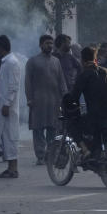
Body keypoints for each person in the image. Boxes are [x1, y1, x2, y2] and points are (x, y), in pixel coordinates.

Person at [67, 47, 107, 182]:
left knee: (72, 124)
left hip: (96, 117)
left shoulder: (84, 74)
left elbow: (74, 96)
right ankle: (96, 153)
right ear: (95, 58)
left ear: (82, 60)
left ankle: (86, 151)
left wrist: (68, 103)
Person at [25, 34, 68, 165]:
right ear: (41, 45)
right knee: (38, 129)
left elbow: (62, 81)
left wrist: (65, 97)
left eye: (51, 43)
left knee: (52, 128)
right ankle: (40, 155)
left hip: (54, 101)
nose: (49, 45)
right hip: (38, 100)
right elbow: (28, 82)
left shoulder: (56, 61)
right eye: (47, 43)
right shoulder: (33, 61)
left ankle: (50, 154)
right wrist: (29, 98)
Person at [0, 35, 22, 178]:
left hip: (8, 108)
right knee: (5, 137)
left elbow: (13, 86)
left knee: (10, 137)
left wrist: (7, 104)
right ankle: (10, 167)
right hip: (3, 107)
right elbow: (1, 85)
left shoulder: (12, 63)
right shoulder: (6, 62)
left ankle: (13, 168)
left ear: (0, 48)